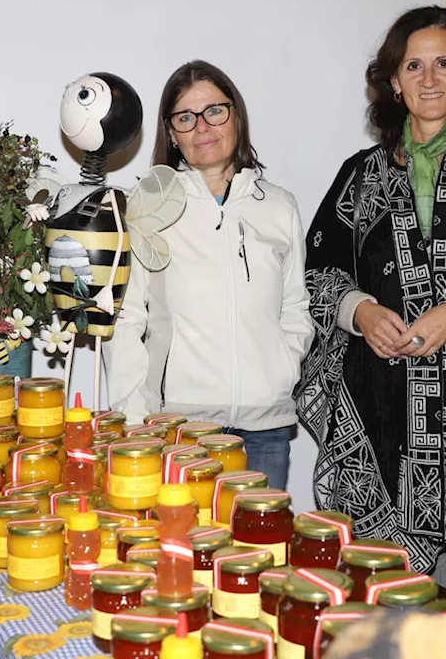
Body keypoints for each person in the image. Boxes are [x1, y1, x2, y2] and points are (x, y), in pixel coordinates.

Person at [297, 6, 446, 602]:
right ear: (393, 82)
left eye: (444, 63)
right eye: (414, 65)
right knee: (400, 592)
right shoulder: (359, 177)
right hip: (383, 412)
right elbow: (315, 274)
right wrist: (358, 309)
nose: (429, 78)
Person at [104, 60, 313, 490]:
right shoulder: (148, 205)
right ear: (172, 134)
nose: (202, 127)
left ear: (236, 116)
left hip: (265, 429)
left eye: (214, 111)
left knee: (262, 552)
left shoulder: (278, 206)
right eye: (185, 117)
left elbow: (295, 307)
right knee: (187, 553)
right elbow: (126, 319)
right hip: (181, 429)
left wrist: (282, 372)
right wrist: (134, 417)